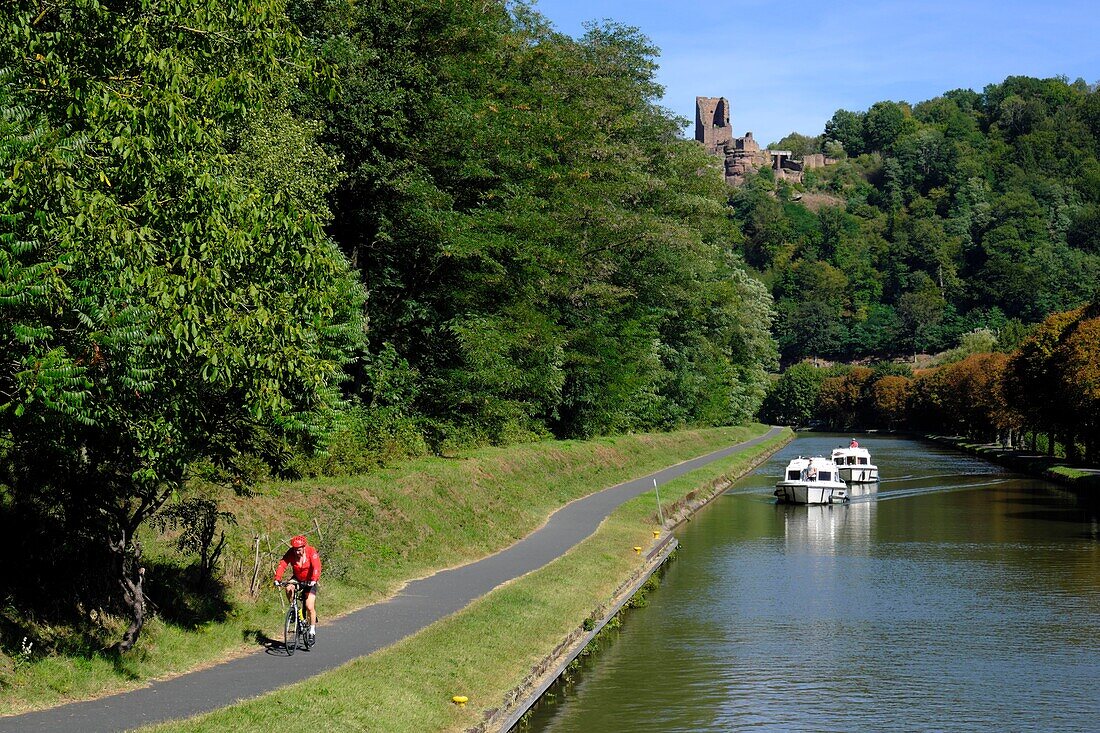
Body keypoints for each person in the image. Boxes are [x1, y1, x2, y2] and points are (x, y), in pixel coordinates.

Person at [275, 535, 321, 643]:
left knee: (309, 606)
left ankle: (312, 631)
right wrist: (277, 578)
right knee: (288, 588)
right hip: (297, 578)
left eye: (299, 550)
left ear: (304, 547)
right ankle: (293, 609)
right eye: (295, 550)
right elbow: (283, 564)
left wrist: (314, 579)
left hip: (310, 580)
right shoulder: (291, 553)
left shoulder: (311, 551)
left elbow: (316, 567)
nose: (297, 552)